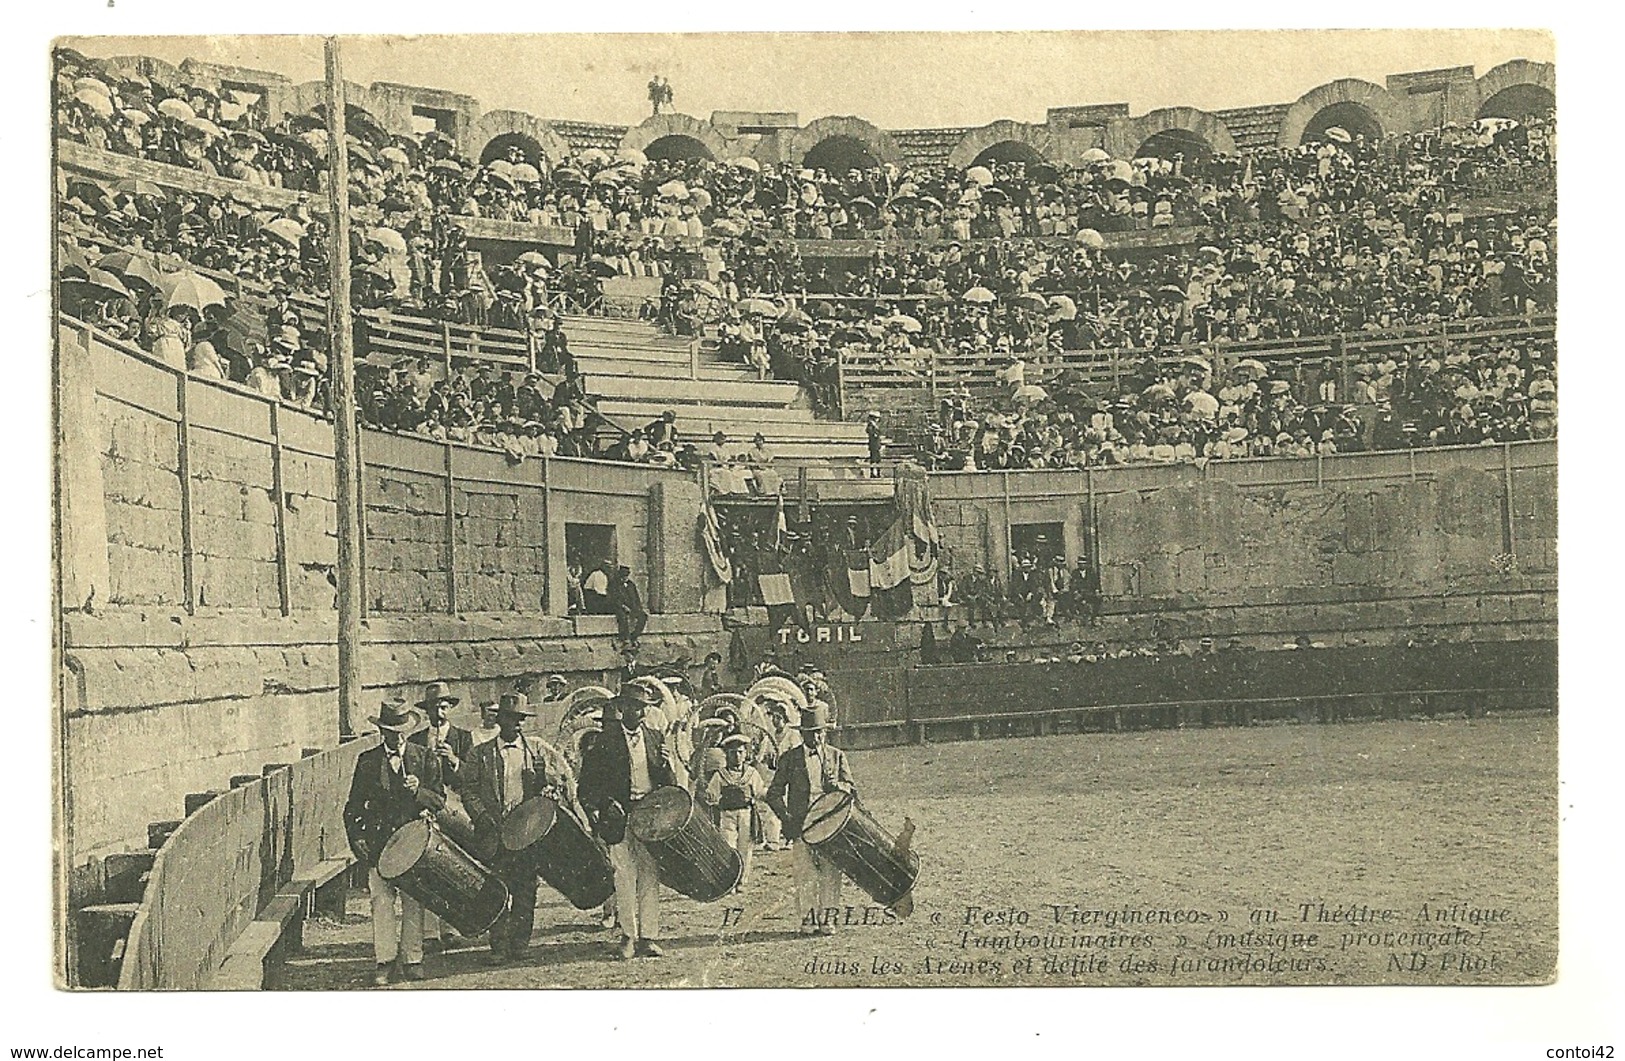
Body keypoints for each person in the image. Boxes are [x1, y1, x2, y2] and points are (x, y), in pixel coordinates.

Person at [459, 692, 581, 964]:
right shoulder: (480, 754)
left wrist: (548, 791)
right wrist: (482, 817)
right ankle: (498, 946)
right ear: (499, 720)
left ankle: (520, 943)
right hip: (494, 832)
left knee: (525, 890)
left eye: (520, 719)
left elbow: (552, 785)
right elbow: (469, 790)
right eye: (511, 719)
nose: (516, 724)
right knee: (497, 889)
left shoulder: (535, 753)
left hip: (526, 835)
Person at [577, 681, 688, 959]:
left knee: (650, 875)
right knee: (624, 877)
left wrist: (665, 766)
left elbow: (669, 785)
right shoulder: (604, 742)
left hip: (650, 817)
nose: (638, 713)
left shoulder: (654, 737)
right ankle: (628, 935)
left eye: (642, 708)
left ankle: (649, 937)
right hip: (620, 817)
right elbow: (586, 788)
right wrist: (604, 806)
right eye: (633, 707)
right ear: (621, 708)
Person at [342, 699, 445, 985]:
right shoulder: (368, 762)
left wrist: (419, 792)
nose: (396, 736)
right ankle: (384, 961)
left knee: (414, 902)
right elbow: (351, 810)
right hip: (379, 846)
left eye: (401, 730)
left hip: (414, 847)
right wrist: (358, 842)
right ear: (382, 733)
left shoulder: (424, 758)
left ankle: (413, 959)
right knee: (381, 901)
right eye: (390, 731)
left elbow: (439, 801)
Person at [765, 702, 854, 934]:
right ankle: (808, 918)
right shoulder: (789, 758)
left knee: (831, 870)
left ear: (825, 732)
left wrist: (838, 787)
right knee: (805, 871)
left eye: (820, 733)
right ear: (802, 734)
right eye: (811, 734)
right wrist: (787, 820)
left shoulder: (837, 756)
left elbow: (851, 789)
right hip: (801, 823)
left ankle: (828, 919)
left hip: (831, 823)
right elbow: (773, 794)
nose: (816, 738)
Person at [703, 733, 766, 892]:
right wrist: (713, 800)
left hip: (746, 813)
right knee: (728, 846)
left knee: (745, 847)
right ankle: (729, 880)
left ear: (745, 754)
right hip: (727, 815)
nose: (737, 756)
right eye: (732, 753)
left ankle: (742, 880)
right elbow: (712, 795)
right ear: (726, 755)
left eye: (740, 752)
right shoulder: (720, 775)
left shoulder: (751, 773)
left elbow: (759, 792)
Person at [610, 565, 648, 648]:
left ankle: (634, 636)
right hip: (619, 607)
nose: (625, 578)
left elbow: (636, 598)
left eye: (626, 576)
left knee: (643, 616)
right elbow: (613, 598)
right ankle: (625, 638)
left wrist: (639, 608)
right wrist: (623, 606)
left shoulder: (631, 584)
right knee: (623, 617)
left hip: (632, 607)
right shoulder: (614, 584)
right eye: (623, 576)